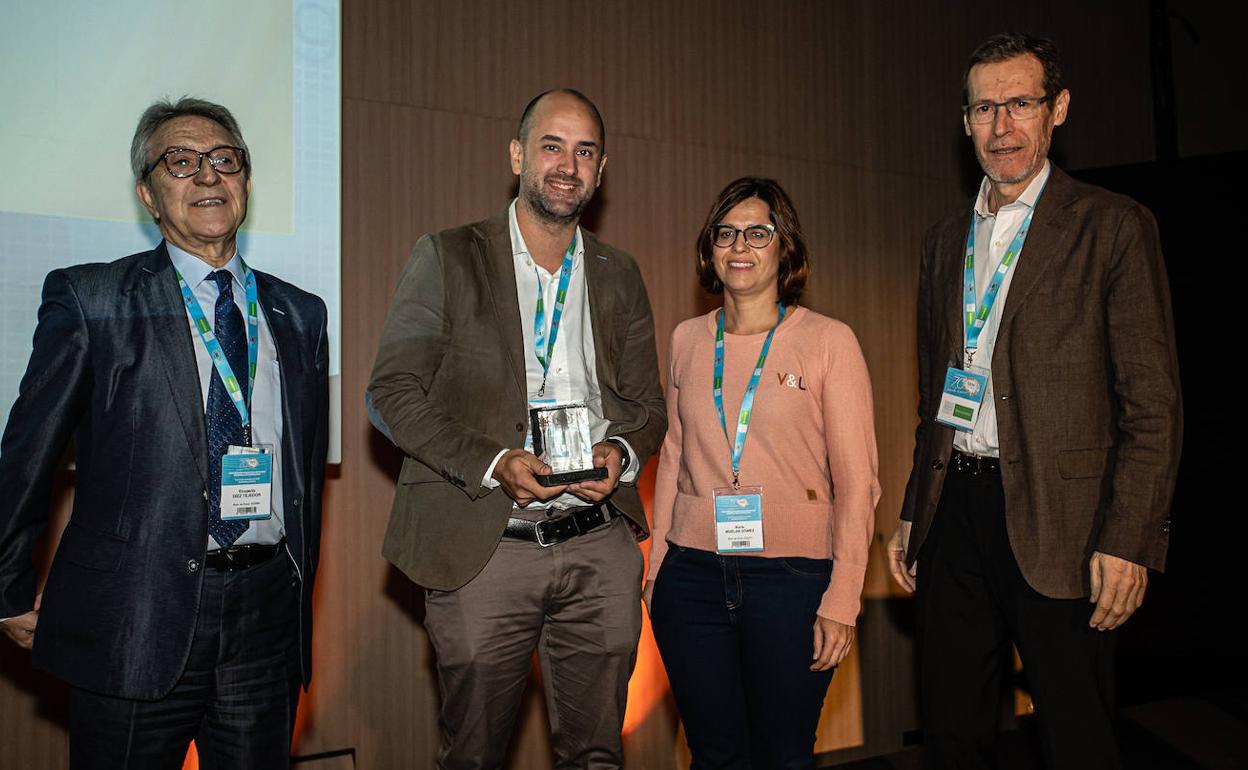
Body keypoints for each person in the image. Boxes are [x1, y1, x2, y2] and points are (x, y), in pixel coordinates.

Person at [0, 97, 330, 769]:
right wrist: (4, 587)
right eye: (181, 162)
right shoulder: (92, 300)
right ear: (149, 193)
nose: (207, 176)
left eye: (223, 159)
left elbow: (304, 465)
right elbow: (27, 456)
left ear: (245, 179)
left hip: (265, 614)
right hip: (135, 614)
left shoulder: (300, 312)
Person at [887, 32, 1182, 770]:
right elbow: (936, 391)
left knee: (1079, 739)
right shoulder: (943, 240)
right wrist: (915, 508)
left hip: (1068, 528)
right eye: (985, 108)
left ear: (1058, 111)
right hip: (955, 514)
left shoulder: (1112, 226)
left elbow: (1151, 403)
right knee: (952, 734)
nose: (1002, 126)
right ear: (964, 123)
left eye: (1020, 103)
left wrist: (1130, 538)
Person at [367, 89, 665, 769]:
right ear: (517, 156)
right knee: (472, 756)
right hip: (484, 546)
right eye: (552, 146)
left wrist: (620, 451)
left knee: (596, 757)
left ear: (602, 168)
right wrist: (496, 459)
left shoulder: (620, 275)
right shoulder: (446, 256)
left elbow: (647, 406)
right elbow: (391, 392)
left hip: (598, 546)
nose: (568, 164)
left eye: (585, 150)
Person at [645, 177, 880, 769]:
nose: (739, 246)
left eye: (757, 232)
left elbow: (858, 482)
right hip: (692, 577)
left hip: (794, 582)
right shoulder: (686, 341)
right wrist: (656, 571)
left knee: (783, 755)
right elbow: (674, 452)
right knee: (715, 755)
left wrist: (843, 599)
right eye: (725, 233)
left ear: (785, 247)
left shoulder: (829, 342)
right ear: (710, 249)